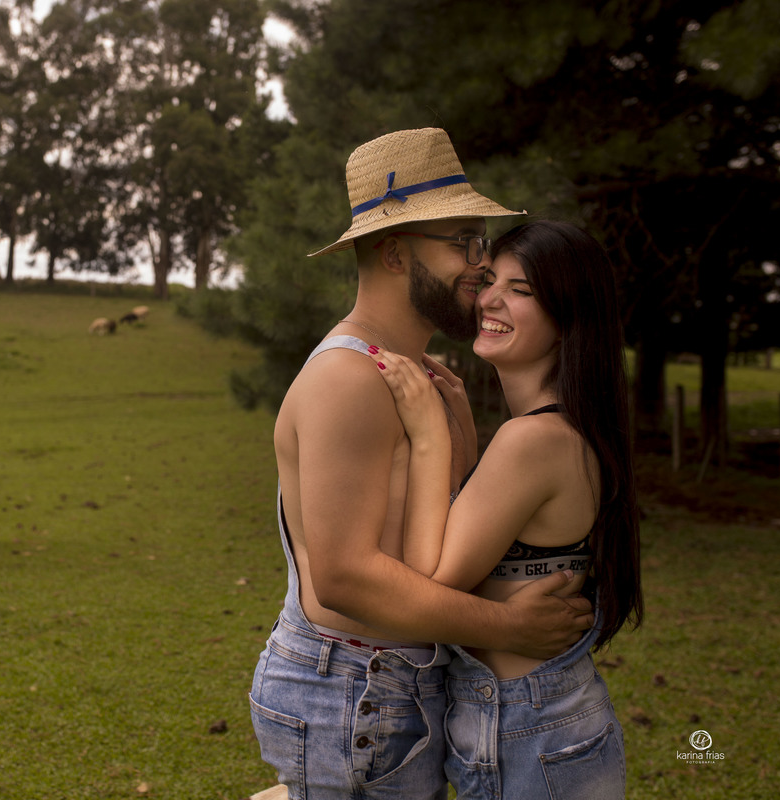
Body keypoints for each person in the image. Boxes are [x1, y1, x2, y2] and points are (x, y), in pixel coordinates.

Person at [249, 128, 594, 800]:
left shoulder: (428, 381)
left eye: (481, 240)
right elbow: (343, 577)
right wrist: (510, 626)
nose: (480, 263)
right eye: (461, 241)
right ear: (395, 253)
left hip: (394, 692)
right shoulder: (349, 379)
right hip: (352, 695)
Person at [368, 220, 644, 798]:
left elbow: (430, 583)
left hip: (529, 729)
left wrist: (429, 437)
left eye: (522, 289)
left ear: (570, 318)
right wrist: (464, 437)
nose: (488, 297)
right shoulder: (558, 427)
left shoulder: (535, 440)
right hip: (533, 717)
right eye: (490, 278)